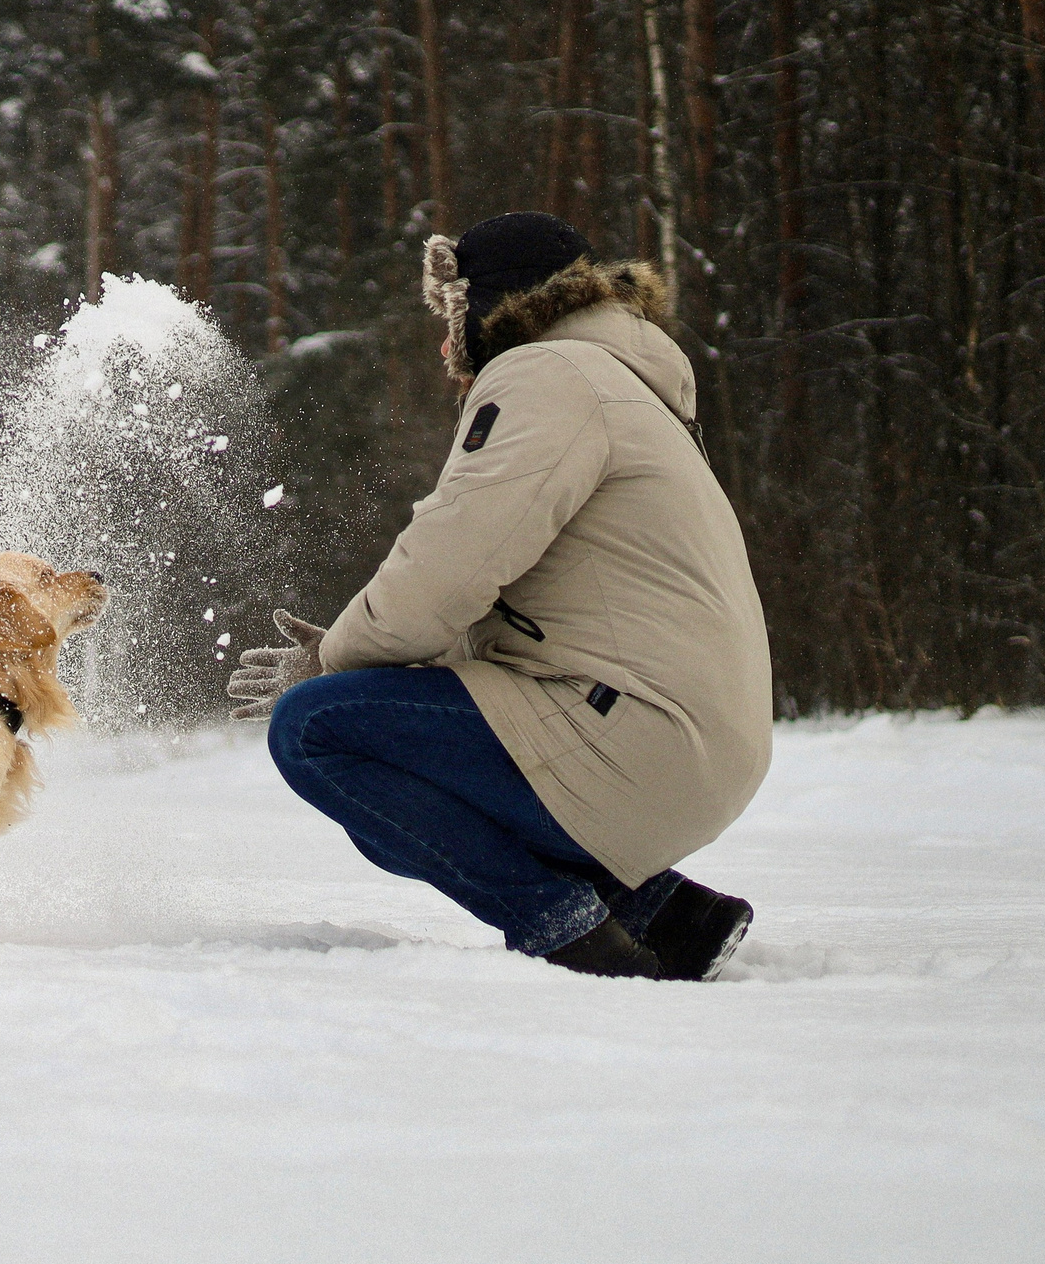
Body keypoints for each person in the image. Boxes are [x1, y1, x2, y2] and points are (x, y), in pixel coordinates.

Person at [229, 213, 771, 980]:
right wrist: (367, 657)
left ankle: (571, 933)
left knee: (317, 729)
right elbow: (514, 608)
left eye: (452, 314)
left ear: (493, 303)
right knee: (390, 769)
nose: (445, 345)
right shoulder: (620, 384)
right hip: (687, 740)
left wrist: (331, 660)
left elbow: (449, 570)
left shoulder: (547, 375)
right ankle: (666, 914)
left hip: (640, 732)